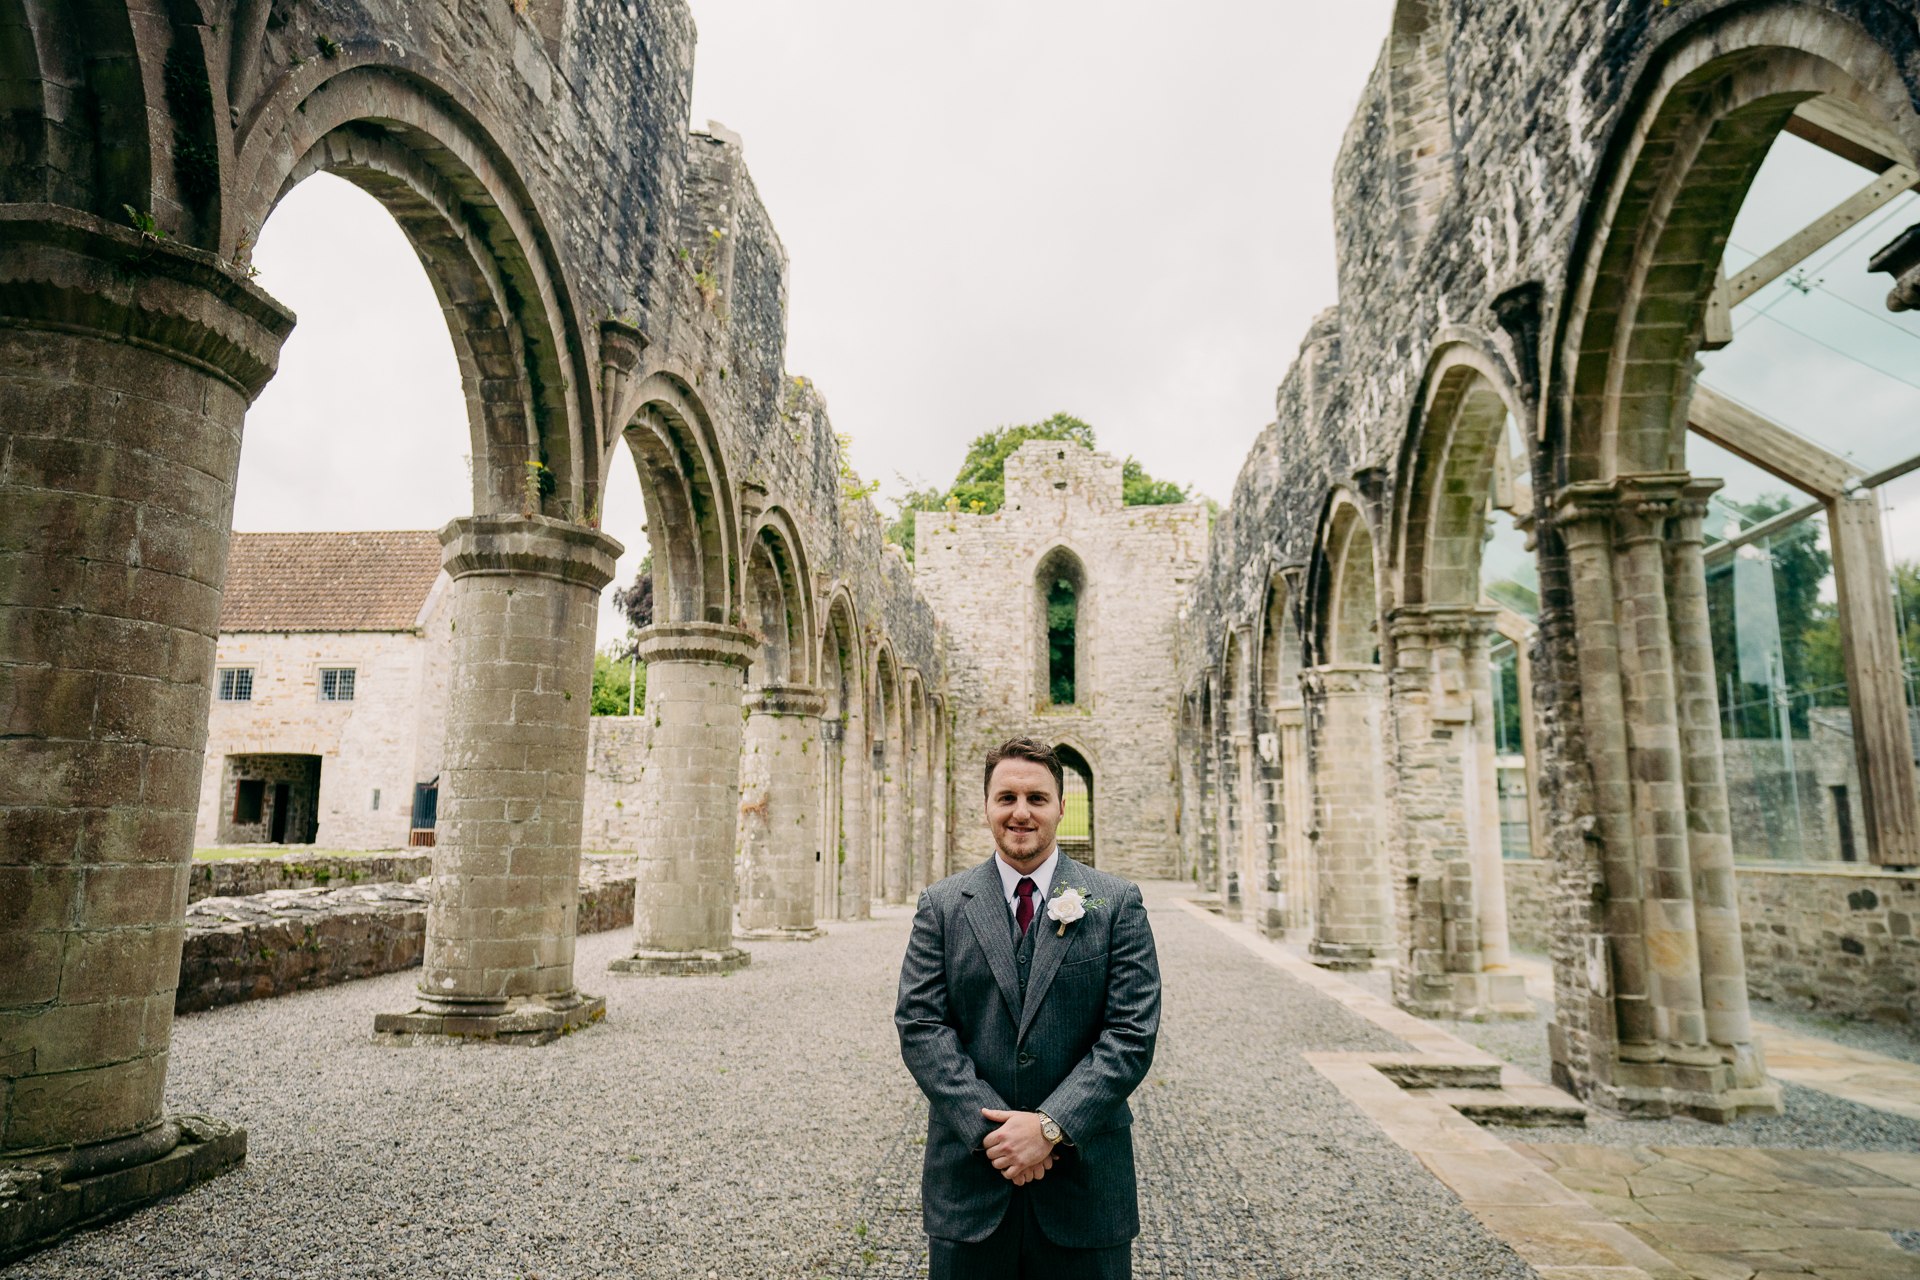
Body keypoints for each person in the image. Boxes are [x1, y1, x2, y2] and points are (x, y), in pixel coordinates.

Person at [896, 736, 1161, 1279]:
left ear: (1062, 806)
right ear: (986, 805)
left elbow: (1131, 1033)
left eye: (1037, 798)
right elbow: (921, 1025)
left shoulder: (1115, 903)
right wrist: (993, 1130)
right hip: (973, 1181)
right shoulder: (942, 906)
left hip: (1084, 1189)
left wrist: (1049, 1127)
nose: (1021, 812)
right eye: (1007, 797)